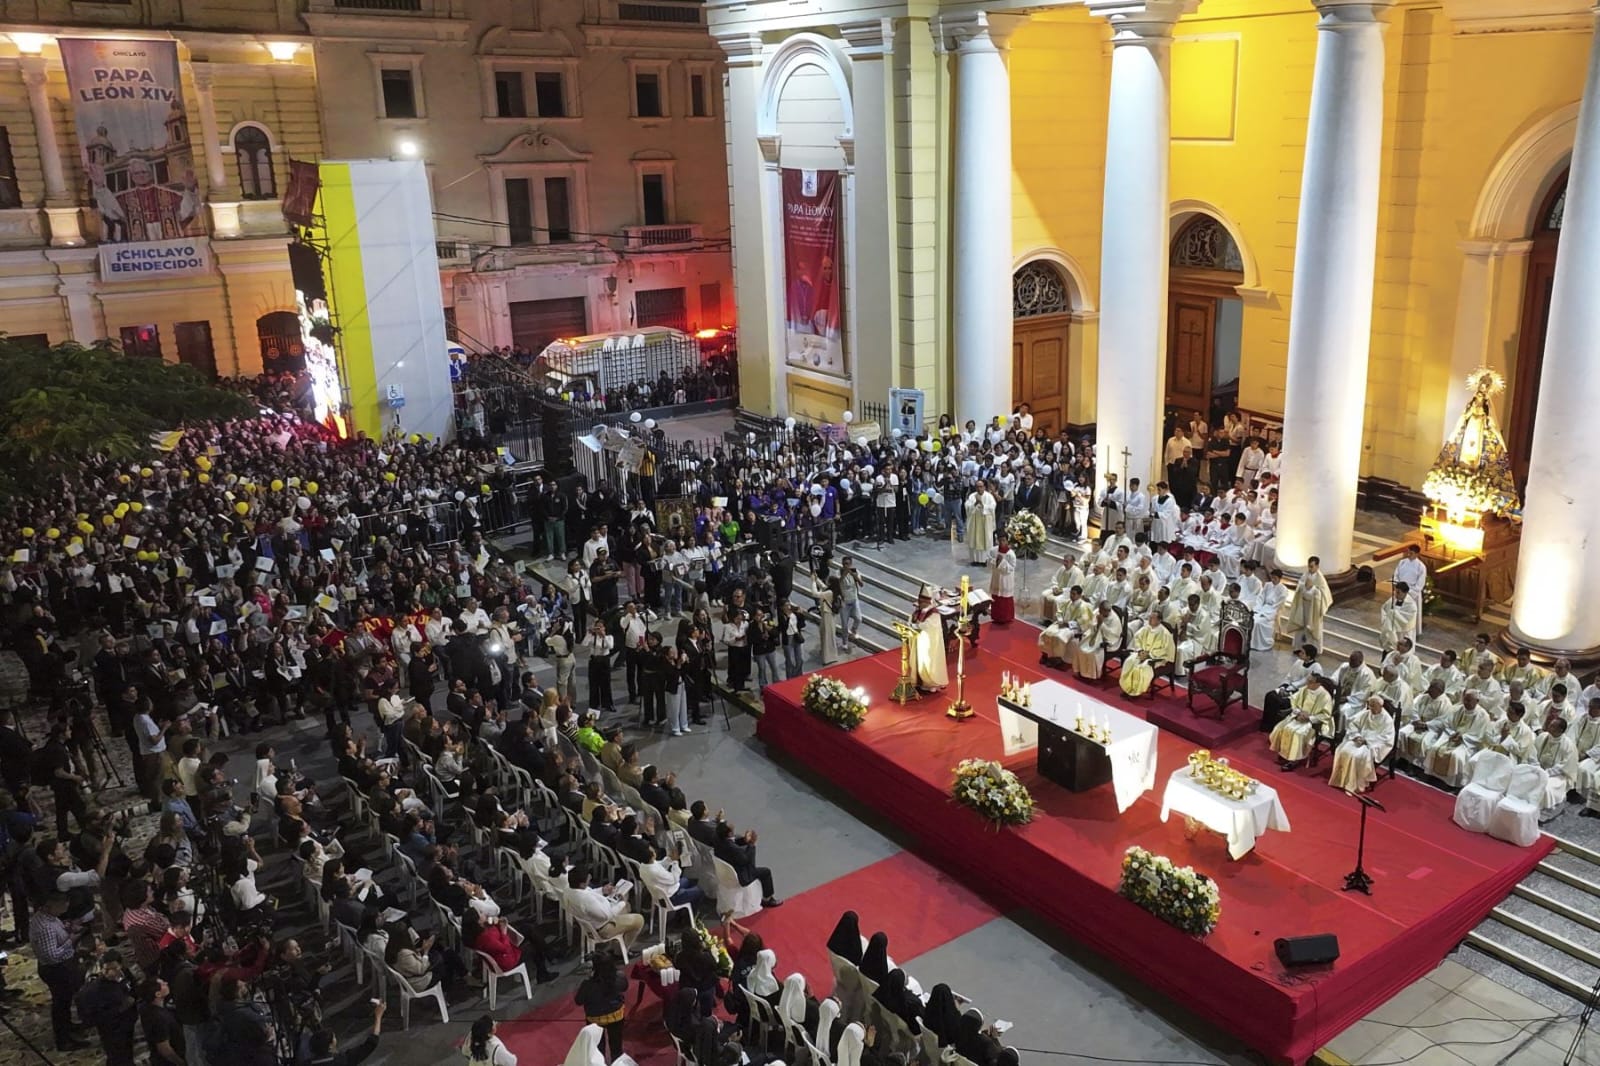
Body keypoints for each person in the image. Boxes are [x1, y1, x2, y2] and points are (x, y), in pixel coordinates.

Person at [31, 893, 88, 1051]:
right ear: (51, 905)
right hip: (55, 969)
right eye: (63, 905)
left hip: (59, 966)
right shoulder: (45, 927)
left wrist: (68, 928)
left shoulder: (48, 917)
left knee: (65, 1001)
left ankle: (68, 1026)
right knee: (60, 1004)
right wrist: (71, 940)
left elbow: (57, 934)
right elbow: (52, 955)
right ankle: (63, 1040)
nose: (66, 907)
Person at [77, 950, 139, 1066]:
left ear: (120, 965)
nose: (110, 973)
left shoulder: (125, 973)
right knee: (116, 1057)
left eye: (114, 968)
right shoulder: (95, 990)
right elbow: (92, 1017)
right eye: (106, 969)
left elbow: (133, 986)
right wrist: (119, 1009)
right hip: (111, 1031)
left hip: (128, 1023)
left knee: (127, 1051)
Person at [1328, 695, 1395, 793]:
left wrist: (1367, 741)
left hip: (1373, 745)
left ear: (1380, 706)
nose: (1371, 708)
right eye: (1370, 705)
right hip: (1359, 739)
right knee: (1343, 750)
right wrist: (1357, 736)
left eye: (1373, 706)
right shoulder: (1366, 713)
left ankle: (1355, 785)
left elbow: (1386, 738)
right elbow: (1353, 724)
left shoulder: (1387, 720)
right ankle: (1341, 781)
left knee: (1357, 756)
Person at [1268, 673, 1335, 770]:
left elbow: (1326, 715)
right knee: (1284, 728)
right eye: (1307, 680)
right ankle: (1284, 753)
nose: (1307, 683)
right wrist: (1298, 712)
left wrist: (1310, 718)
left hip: (1312, 722)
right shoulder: (1304, 689)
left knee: (1297, 733)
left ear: (1318, 684)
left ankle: (1294, 760)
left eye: (1310, 682)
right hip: (1298, 717)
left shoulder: (1325, 696)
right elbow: (1294, 701)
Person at [565, 864, 645, 945]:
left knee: (627, 906)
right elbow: (607, 916)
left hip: (592, 922)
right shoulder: (586, 900)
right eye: (588, 878)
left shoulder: (568, 889)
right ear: (582, 884)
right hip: (603, 928)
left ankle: (621, 938)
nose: (590, 878)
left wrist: (602, 890)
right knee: (639, 919)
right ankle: (622, 949)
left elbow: (589, 892)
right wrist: (621, 902)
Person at [714, 820, 782, 907]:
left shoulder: (718, 840)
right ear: (730, 833)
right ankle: (767, 899)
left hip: (725, 870)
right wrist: (751, 844)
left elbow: (732, 842)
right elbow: (748, 862)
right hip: (741, 875)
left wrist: (744, 840)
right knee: (766, 872)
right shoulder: (734, 849)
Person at [573, 955, 628, 1061]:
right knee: (617, 1048)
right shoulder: (619, 977)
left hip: (595, 1019)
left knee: (598, 1050)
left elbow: (578, 1001)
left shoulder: (588, 984)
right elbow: (625, 987)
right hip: (616, 1017)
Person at [308, 1000, 385, 1066]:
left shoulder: (306, 1063)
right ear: (330, 1046)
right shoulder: (342, 1060)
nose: (335, 1039)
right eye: (334, 1038)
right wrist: (378, 1017)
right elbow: (370, 1044)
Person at [1119, 611, 1174, 698]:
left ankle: (1136, 692)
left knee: (1143, 667)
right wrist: (1140, 650)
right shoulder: (1146, 628)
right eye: (1150, 617)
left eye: (1152, 618)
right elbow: (1137, 638)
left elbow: (1165, 650)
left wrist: (1149, 654)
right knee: (1129, 661)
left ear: (1159, 620)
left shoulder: (1165, 633)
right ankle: (1127, 688)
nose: (1149, 619)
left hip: (1155, 658)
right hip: (1142, 653)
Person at [1285, 556, 1331, 650]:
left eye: (1312, 566)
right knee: (1301, 626)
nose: (1310, 568)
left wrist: (1312, 588)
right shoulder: (1305, 575)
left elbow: (1323, 593)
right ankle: (1299, 648)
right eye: (1309, 566)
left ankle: (1312, 650)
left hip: (1313, 608)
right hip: (1303, 606)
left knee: (1312, 628)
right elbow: (1299, 586)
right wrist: (1304, 586)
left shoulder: (1320, 579)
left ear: (1317, 566)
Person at [909, 587, 948, 693]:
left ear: (927, 602)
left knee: (928, 663)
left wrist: (917, 626)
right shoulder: (919, 611)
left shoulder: (933, 613)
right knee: (918, 663)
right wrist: (911, 623)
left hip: (929, 643)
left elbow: (930, 626)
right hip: (918, 641)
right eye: (919, 602)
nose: (919, 604)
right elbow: (913, 619)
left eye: (922, 602)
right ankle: (918, 682)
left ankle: (932, 684)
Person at [965, 479, 996, 565]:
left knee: (986, 540)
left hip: (985, 523)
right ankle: (975, 560)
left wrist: (983, 505)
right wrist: (975, 504)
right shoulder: (972, 496)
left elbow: (992, 507)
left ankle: (986, 560)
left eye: (981, 486)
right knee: (974, 540)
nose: (979, 488)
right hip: (974, 523)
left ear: (984, 487)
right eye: (977, 487)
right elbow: (967, 506)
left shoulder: (989, 496)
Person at [989, 538, 1017, 625]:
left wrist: (1002, 562)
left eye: (1004, 540)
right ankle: (996, 616)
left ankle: (1006, 618)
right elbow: (989, 562)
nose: (1002, 542)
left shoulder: (1011, 554)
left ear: (1007, 541)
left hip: (1006, 579)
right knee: (996, 598)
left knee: (1005, 599)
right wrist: (996, 561)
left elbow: (1011, 568)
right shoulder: (993, 550)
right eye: (1000, 540)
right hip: (996, 577)